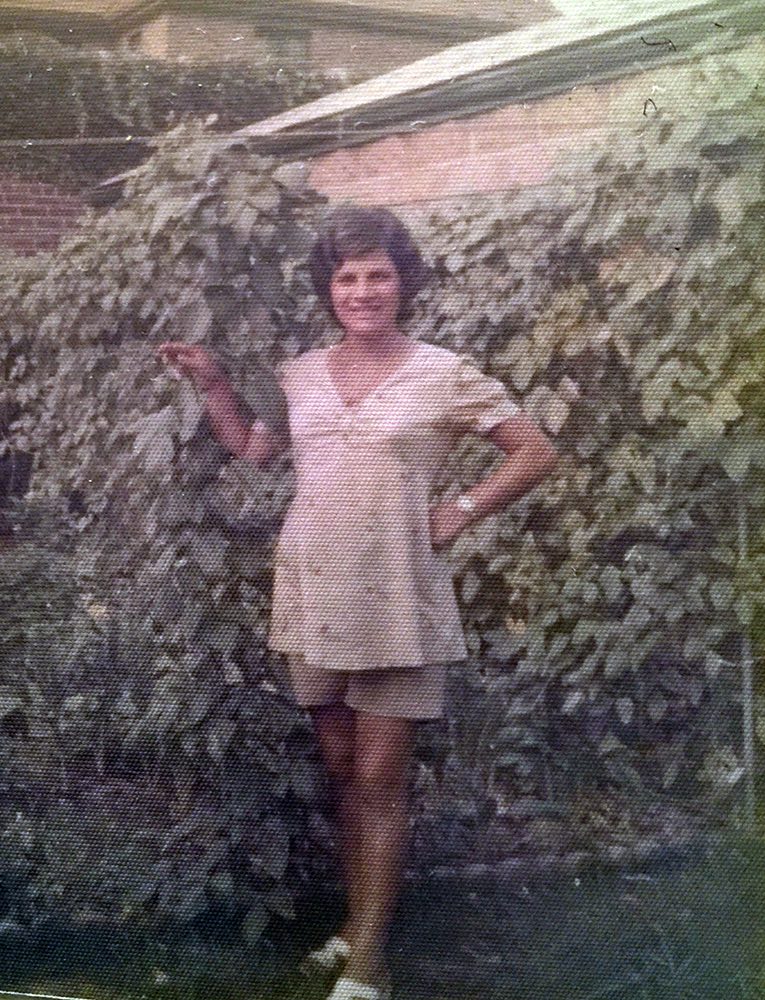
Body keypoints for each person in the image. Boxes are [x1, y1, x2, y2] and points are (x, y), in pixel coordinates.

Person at [156, 204, 558, 1000]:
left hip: (396, 593)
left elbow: (535, 448)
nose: (364, 289)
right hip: (314, 588)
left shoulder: (442, 372)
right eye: (348, 276)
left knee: (378, 776)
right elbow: (255, 447)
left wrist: (458, 511)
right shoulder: (301, 374)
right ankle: (350, 928)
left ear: (403, 282)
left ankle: (369, 961)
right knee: (342, 767)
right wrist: (213, 384)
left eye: (379, 274)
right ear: (329, 289)